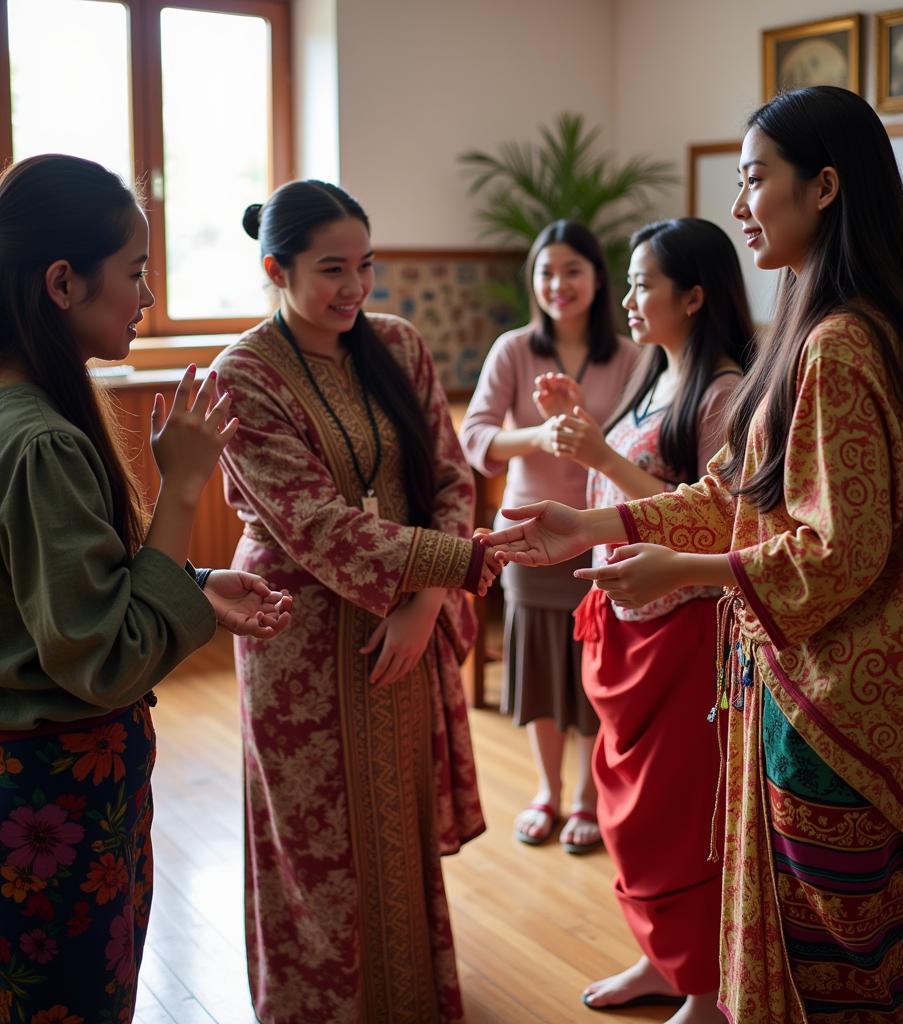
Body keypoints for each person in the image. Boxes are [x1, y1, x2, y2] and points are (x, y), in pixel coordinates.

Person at [485, 86, 903, 1024]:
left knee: (837, 965)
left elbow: (836, 553)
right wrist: (594, 526)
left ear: (823, 187)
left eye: (755, 183)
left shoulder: (839, 344)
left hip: (837, 709)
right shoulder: (822, 326)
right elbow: (736, 499)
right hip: (814, 689)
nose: (740, 206)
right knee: (823, 946)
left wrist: (686, 573)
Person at [0, 154, 291, 1022]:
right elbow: (105, 659)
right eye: (133, 274)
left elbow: (47, 593)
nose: (146, 298)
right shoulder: (41, 443)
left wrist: (198, 585)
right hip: (53, 793)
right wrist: (186, 484)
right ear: (61, 282)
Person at [212, 180, 495, 1024]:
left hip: (403, 619)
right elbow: (311, 523)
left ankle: (408, 994)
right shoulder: (244, 374)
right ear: (276, 268)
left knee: (392, 819)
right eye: (332, 269)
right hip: (294, 632)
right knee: (314, 840)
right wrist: (462, 565)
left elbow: (449, 476)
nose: (354, 289)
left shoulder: (399, 346)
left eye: (366, 266)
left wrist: (425, 604)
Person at [538, 219, 748, 1016]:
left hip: (685, 633)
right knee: (627, 811)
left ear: (693, 296)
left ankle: (704, 981)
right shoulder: (651, 379)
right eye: (626, 282)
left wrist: (599, 457)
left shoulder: (725, 394)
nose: (626, 299)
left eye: (641, 284)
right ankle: (661, 959)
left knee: (679, 813)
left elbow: (718, 522)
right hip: (620, 625)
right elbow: (615, 499)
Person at [460, 220, 638, 854]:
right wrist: (537, 435)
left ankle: (588, 797)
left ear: (597, 278)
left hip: (605, 534)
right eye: (545, 272)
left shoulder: (630, 355)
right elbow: (475, 439)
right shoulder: (514, 349)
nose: (557, 284)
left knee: (595, 670)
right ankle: (547, 791)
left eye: (571, 270)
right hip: (528, 535)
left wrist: (584, 430)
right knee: (537, 667)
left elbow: (641, 447)